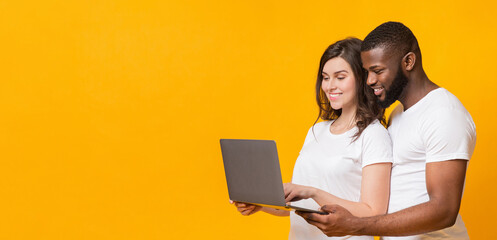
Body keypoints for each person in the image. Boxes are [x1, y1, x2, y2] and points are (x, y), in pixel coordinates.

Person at [296, 22, 477, 240]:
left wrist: (356, 225)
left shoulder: (444, 114)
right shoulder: (398, 114)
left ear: (408, 61)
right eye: (367, 72)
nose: (370, 81)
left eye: (378, 71)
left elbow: (444, 211)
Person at [232, 38, 393, 240]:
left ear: (362, 78)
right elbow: (299, 206)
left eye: (340, 77)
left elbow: (374, 213)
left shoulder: (374, 135)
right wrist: (261, 203)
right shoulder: (316, 131)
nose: (330, 86)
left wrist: (313, 193)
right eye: (325, 78)